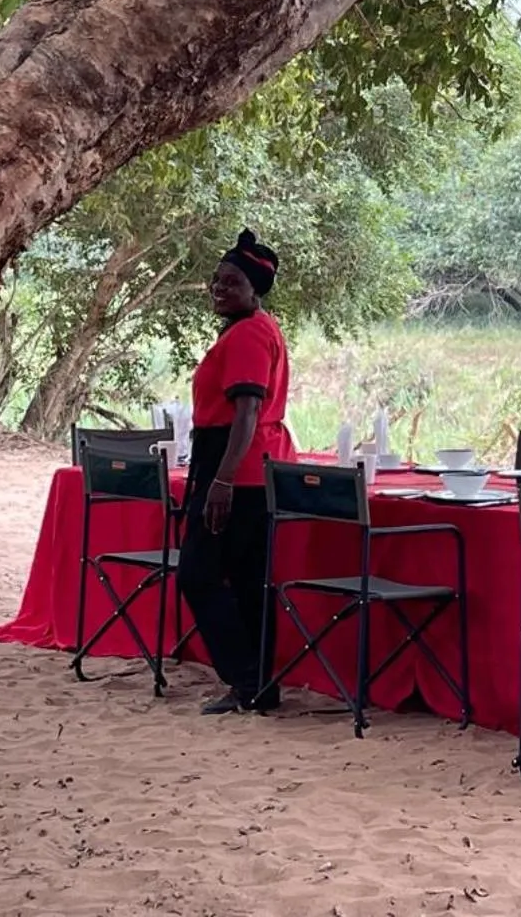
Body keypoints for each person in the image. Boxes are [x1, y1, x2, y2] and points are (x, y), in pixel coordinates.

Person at [179, 229, 296, 715]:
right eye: (216, 280)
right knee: (247, 579)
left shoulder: (250, 333)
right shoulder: (253, 329)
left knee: (199, 574)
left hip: (238, 466)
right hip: (248, 464)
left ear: (254, 290)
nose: (219, 288)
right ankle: (258, 684)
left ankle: (245, 676)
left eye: (231, 282)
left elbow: (246, 411)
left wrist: (221, 480)